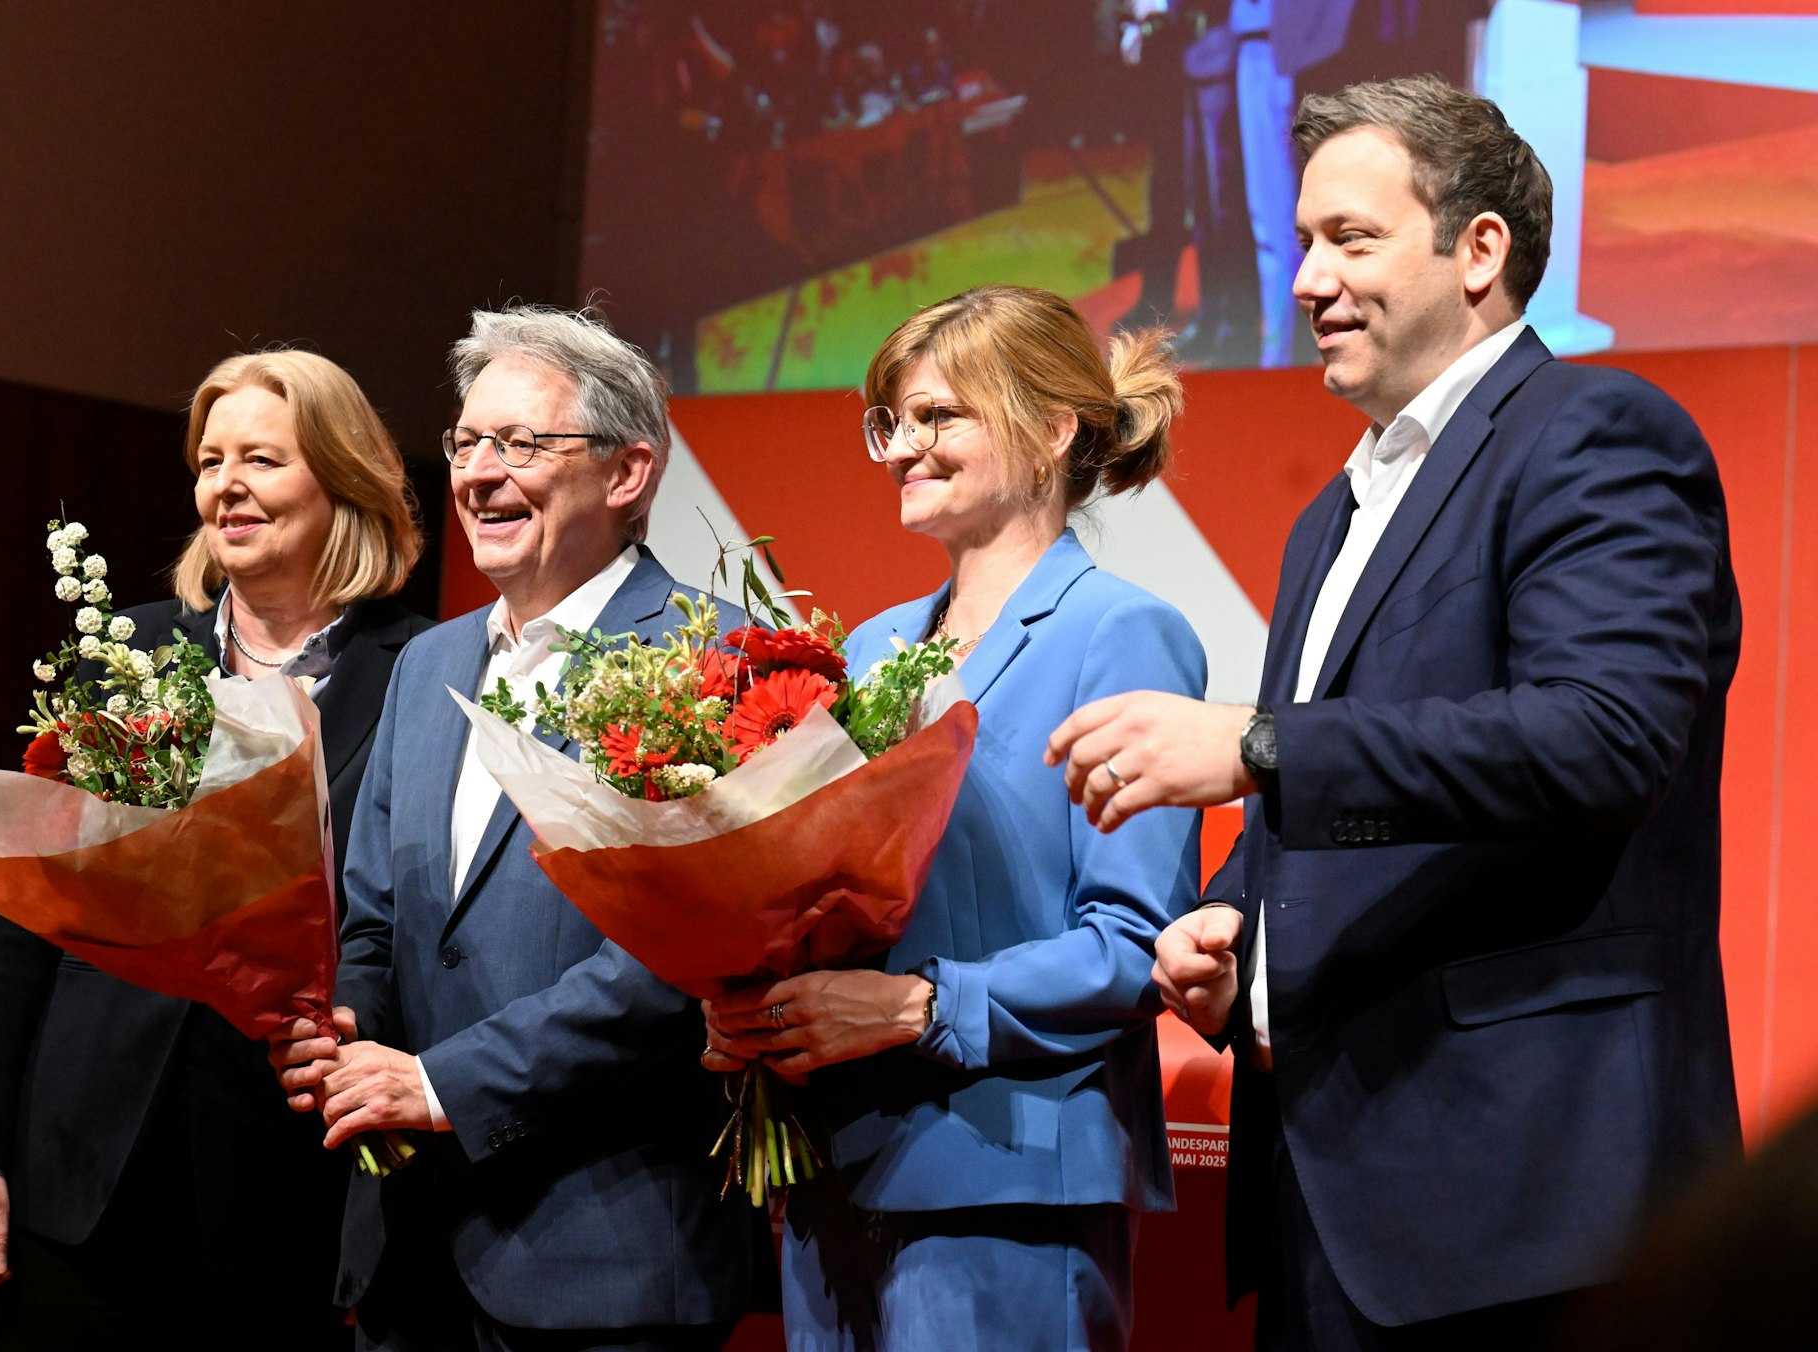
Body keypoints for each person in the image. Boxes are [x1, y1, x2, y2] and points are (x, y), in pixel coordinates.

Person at [1045, 75, 1742, 1349]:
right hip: (1330, 1190)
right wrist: (1234, 922)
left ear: (1478, 249)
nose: (1306, 279)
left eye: (1348, 239)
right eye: (1304, 241)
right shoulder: (1334, 513)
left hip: (1534, 1200)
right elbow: (1352, 786)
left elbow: (1598, 736)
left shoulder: (1594, 434)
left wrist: (1253, 745)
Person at [703, 284, 1206, 1352]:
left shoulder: (1121, 632)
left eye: (937, 417)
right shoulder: (876, 646)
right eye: (891, 419)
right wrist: (747, 999)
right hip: (835, 1163)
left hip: (1008, 1176)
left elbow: (1132, 947)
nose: (899, 449)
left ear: (1052, 426)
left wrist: (915, 1007)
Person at [0, 349, 432, 1351]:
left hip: (288, 1182)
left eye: (261, 458)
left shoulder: (420, 670)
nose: (225, 484)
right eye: (209, 460)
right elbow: (21, 911)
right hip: (76, 1170)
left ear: (342, 476)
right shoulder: (128, 656)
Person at [269, 305, 759, 1352]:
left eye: (520, 443)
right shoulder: (427, 665)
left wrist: (441, 1082)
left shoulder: (716, 660)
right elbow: (374, 919)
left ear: (627, 473)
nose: (479, 473)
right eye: (464, 442)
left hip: (605, 1251)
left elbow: (669, 963)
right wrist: (346, 1034)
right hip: (408, 1249)